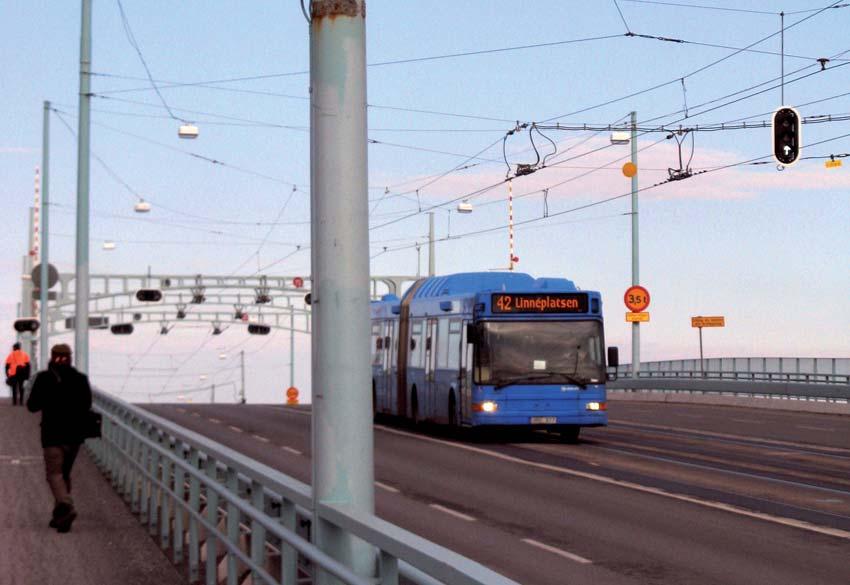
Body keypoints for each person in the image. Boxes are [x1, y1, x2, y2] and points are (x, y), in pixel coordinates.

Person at [27, 343, 92, 533]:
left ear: (52, 357)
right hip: (74, 436)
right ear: (70, 357)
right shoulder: (80, 379)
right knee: (64, 475)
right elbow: (87, 404)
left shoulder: (44, 378)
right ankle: (60, 516)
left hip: (52, 433)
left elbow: (32, 406)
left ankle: (65, 505)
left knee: (54, 475)